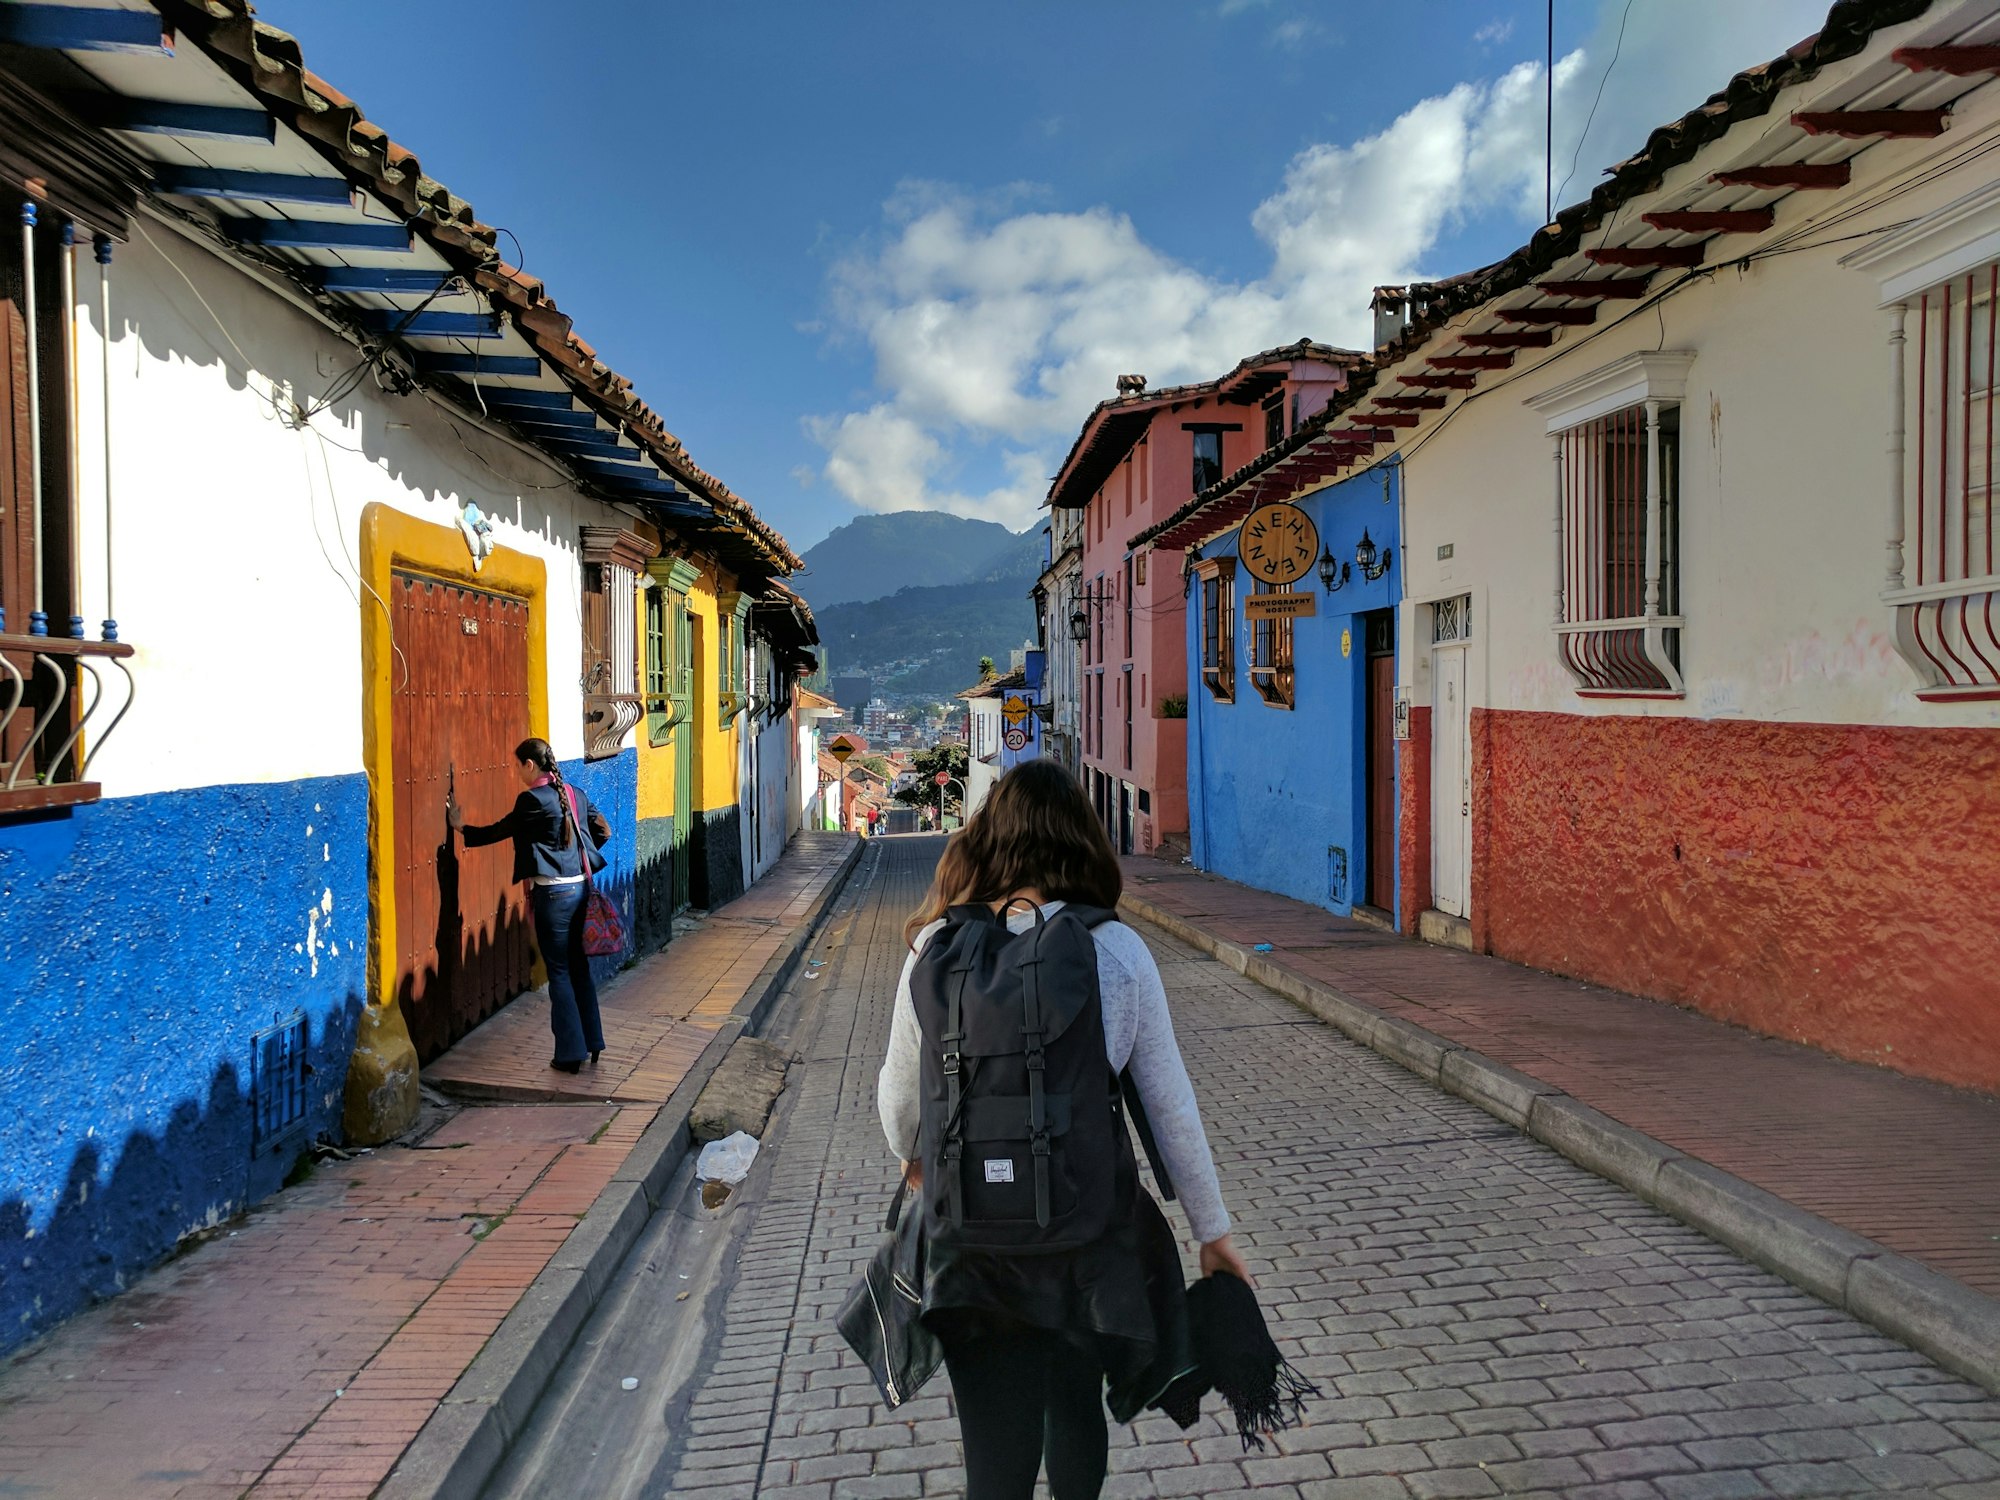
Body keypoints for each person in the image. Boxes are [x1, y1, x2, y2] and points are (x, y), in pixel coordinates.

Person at [877, 760, 1248, 1500]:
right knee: (1073, 1408)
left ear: (987, 840)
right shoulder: (1116, 951)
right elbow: (1170, 1110)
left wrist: (914, 1160)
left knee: (994, 1448)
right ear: (1083, 840)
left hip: (972, 1249)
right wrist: (1213, 1232)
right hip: (1084, 1243)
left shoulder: (936, 948)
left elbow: (897, 1104)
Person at [448, 737, 611, 1074]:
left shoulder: (531, 800)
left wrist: (460, 827)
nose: (517, 772)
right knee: (578, 967)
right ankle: (592, 1042)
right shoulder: (574, 794)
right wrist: (571, 856)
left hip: (553, 897)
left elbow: (500, 831)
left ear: (529, 765)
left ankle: (569, 1054)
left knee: (560, 972)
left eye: (517, 766)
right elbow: (603, 831)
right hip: (581, 889)